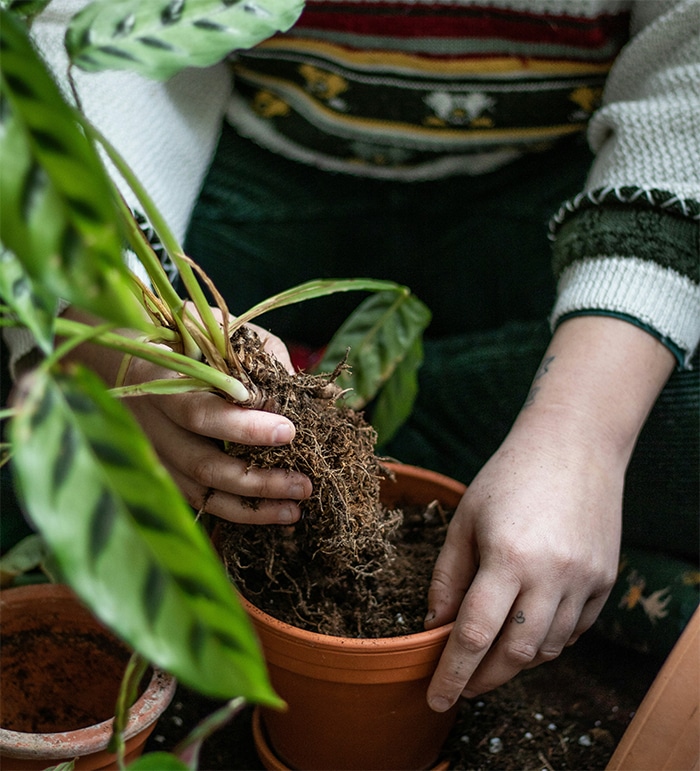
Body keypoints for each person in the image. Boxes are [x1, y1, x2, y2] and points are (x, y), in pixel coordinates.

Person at [8, 0, 699, 713]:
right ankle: (420, 432)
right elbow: (79, 35)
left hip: (559, 205)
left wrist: (581, 437)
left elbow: (690, 79)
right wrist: (116, 333)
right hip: (243, 175)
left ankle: (373, 426)